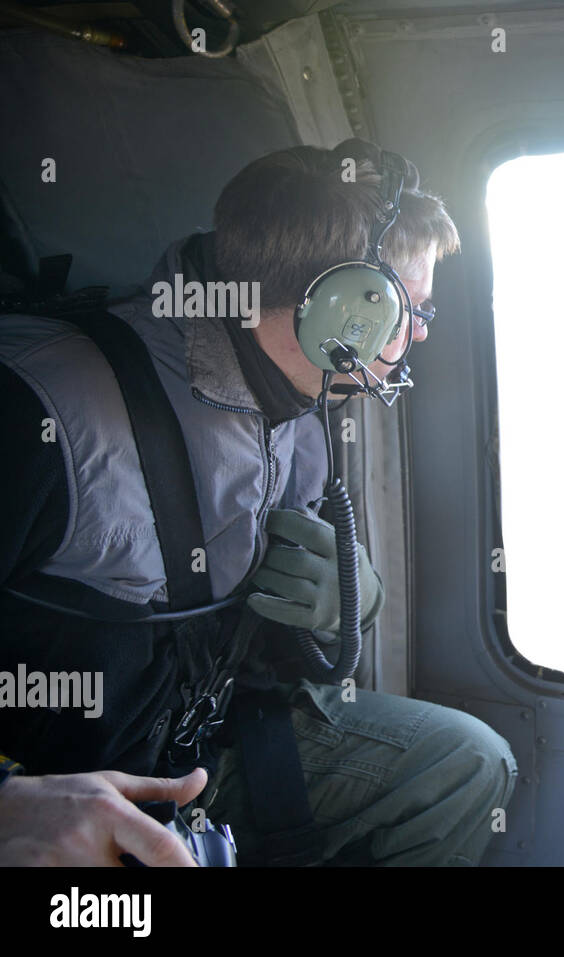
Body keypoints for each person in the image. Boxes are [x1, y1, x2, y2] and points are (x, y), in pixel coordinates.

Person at [0, 140, 516, 866]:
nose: (423, 331)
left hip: (204, 747)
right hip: (72, 795)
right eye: (413, 307)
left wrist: (349, 601)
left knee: (464, 766)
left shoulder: (292, 405)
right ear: (347, 314)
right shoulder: (42, 411)